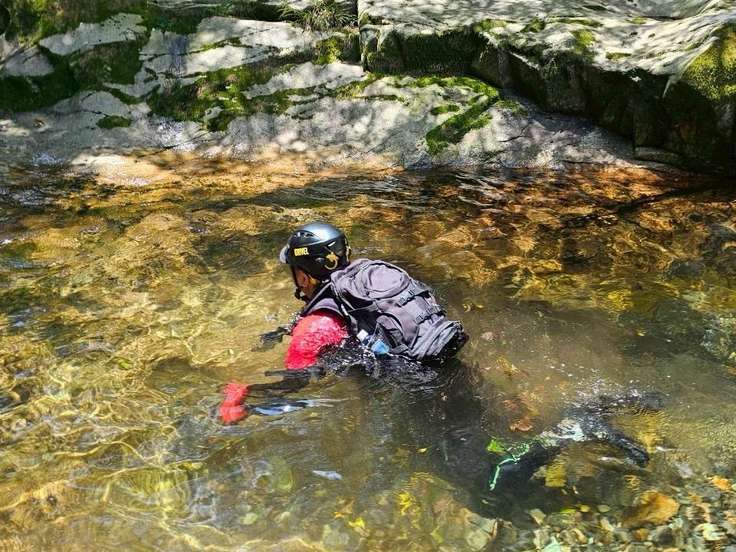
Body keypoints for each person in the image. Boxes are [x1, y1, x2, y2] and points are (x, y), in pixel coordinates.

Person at [220, 221, 468, 423]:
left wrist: (244, 395)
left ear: (304, 277)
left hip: (415, 392)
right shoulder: (372, 279)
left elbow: (295, 383)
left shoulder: (314, 328)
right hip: (447, 356)